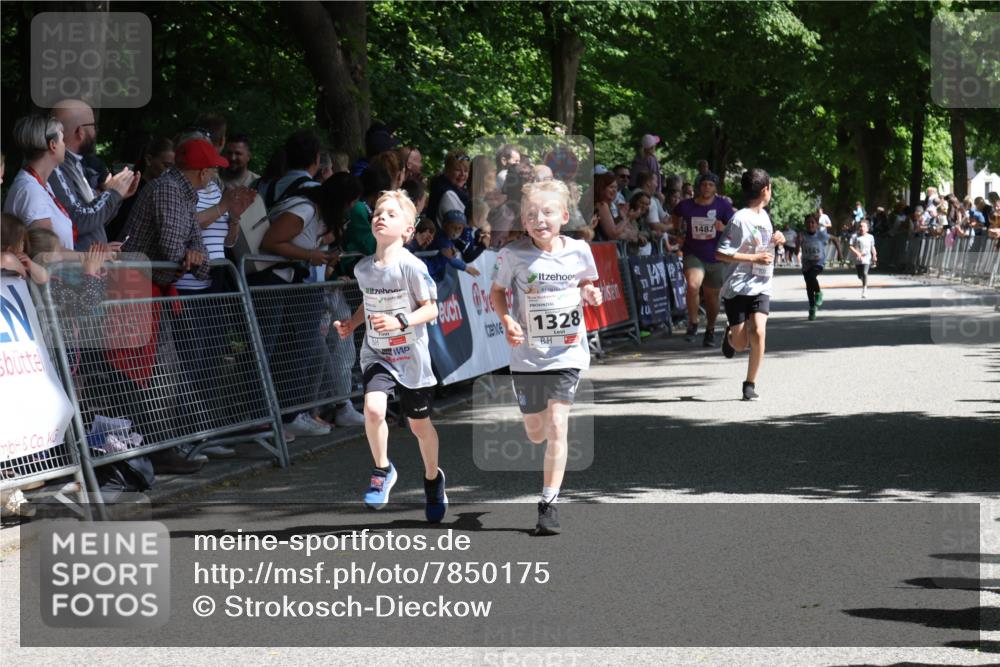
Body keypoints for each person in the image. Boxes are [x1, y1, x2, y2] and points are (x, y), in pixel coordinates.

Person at [490, 179, 603, 535]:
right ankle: (537, 437)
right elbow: (497, 293)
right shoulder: (512, 255)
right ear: (523, 221)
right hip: (527, 357)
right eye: (531, 214)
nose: (540, 219)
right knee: (536, 432)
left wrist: (591, 293)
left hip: (567, 352)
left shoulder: (579, 250)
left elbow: (588, 283)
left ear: (564, 216)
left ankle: (548, 503)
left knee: (557, 426)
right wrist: (507, 319)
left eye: (548, 212)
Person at [334, 190, 446, 522]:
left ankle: (432, 479)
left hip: (411, 357)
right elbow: (369, 302)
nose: (381, 217)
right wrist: (352, 324)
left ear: (408, 231)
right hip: (378, 352)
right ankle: (382, 470)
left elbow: (431, 310)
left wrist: (401, 321)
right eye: (378, 213)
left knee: (419, 426)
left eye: (392, 214)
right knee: (372, 408)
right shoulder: (363, 268)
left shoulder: (412, 267)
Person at [716, 168, 784, 401]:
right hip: (737, 286)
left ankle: (749, 384)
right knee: (741, 344)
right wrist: (753, 258)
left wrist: (777, 239)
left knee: (759, 332)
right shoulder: (739, 219)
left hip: (761, 284)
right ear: (766, 190)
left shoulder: (765, 216)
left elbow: (764, 246)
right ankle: (730, 335)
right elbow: (721, 254)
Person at [49, 99, 138, 250]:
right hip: (75, 268)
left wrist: (116, 197)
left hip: (89, 266)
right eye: (93, 126)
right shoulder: (56, 167)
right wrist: (112, 193)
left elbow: (95, 220)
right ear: (80, 132)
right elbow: (77, 220)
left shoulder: (74, 164)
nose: (96, 131)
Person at [671, 172, 735, 346]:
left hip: (716, 256)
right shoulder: (686, 205)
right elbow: (675, 214)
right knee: (692, 285)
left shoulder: (722, 205)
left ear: (715, 188)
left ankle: (711, 329)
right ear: (699, 186)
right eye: (704, 184)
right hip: (693, 253)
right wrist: (678, 232)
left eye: (710, 185)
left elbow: (734, 227)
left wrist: (723, 228)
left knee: (712, 296)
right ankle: (693, 322)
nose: (707, 187)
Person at [3, 114, 75, 249]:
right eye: (63, 140)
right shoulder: (31, 191)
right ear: (53, 145)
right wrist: (93, 257)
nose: (65, 145)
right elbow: (47, 253)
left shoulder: (40, 185)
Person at [799, 214, 829, 320]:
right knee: (809, 286)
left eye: (812, 222)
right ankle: (812, 308)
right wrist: (798, 242)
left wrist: (839, 252)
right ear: (805, 224)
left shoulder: (821, 235)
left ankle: (819, 293)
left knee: (812, 277)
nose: (810, 224)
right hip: (806, 263)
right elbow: (796, 250)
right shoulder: (802, 235)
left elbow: (834, 239)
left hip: (818, 262)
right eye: (808, 222)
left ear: (817, 225)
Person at [629, 133, 662, 201]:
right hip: (647, 189)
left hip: (633, 188)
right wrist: (658, 191)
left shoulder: (637, 158)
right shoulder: (651, 158)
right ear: (652, 147)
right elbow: (656, 174)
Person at [849, 219, 877, 298]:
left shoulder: (870, 237)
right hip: (858, 258)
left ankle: (864, 289)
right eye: (860, 226)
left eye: (864, 226)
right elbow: (850, 246)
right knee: (859, 275)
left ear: (867, 228)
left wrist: (874, 254)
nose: (862, 228)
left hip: (867, 258)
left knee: (865, 273)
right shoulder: (855, 236)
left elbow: (872, 247)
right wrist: (857, 253)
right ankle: (864, 281)